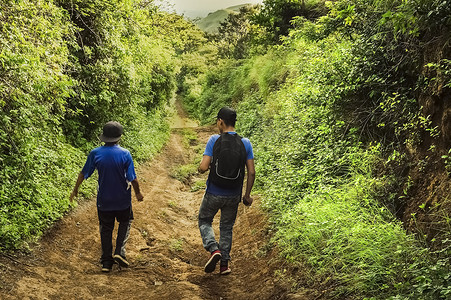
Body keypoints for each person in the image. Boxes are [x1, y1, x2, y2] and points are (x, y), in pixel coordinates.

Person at [69, 121, 144, 272]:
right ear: (119, 138)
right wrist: (138, 193)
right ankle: (119, 252)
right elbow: (133, 178)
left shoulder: (95, 153)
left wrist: (75, 190)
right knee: (126, 221)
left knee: (106, 229)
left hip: (104, 200)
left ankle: (106, 263)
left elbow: (83, 173)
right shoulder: (125, 154)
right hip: (122, 199)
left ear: (103, 137)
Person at [197, 107, 256, 275]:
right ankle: (224, 265)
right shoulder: (245, 143)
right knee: (226, 227)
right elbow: (251, 172)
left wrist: (201, 170)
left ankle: (213, 249)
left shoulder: (214, 140)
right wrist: (247, 195)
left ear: (220, 122)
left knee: (204, 220)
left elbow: (203, 167)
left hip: (214, 192)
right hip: (233, 195)